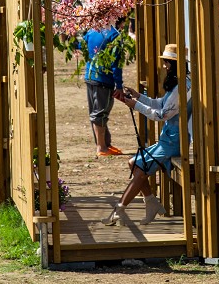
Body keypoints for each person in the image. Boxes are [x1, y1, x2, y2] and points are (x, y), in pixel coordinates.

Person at [102, 43, 192, 227]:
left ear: (175, 64)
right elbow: (160, 104)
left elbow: (162, 115)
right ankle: (151, 202)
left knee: (139, 168)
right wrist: (138, 97)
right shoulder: (180, 83)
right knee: (133, 163)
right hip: (169, 137)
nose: (165, 66)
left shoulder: (183, 86)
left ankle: (119, 210)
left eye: (167, 62)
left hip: (175, 141)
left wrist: (134, 105)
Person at [80, 17, 127, 157]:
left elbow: (82, 45)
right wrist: (119, 85)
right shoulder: (114, 35)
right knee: (101, 112)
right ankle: (101, 147)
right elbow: (116, 64)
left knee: (95, 111)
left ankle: (106, 143)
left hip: (90, 76)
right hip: (103, 79)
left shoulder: (92, 30)